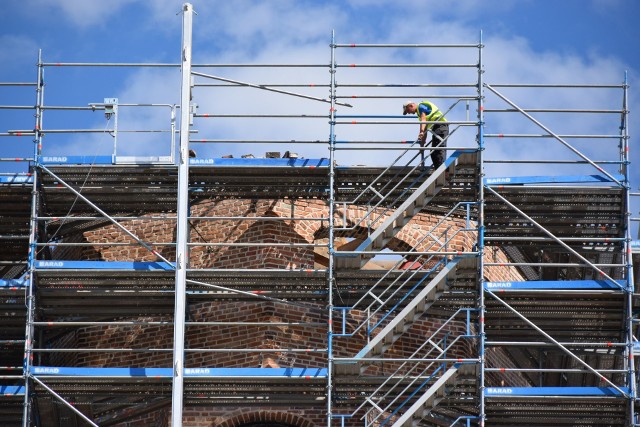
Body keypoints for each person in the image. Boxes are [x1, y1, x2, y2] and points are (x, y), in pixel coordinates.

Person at [402, 100, 449, 169]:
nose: (408, 113)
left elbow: (423, 122)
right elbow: (424, 130)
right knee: (433, 152)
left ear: (411, 105)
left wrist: (421, 131)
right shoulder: (420, 113)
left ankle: (444, 171)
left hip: (441, 126)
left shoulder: (421, 107)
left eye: (407, 110)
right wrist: (422, 145)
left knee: (439, 149)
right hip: (436, 129)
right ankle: (438, 170)